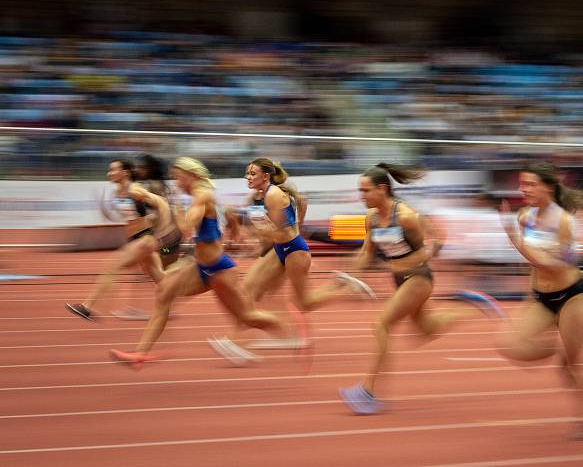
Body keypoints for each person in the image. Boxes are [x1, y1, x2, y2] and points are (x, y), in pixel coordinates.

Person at [338, 163, 506, 415]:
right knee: (425, 330)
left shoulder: (406, 215)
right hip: (400, 280)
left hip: (418, 277)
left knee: (381, 324)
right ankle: (474, 304)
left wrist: (424, 256)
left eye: (365, 191)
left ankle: (368, 391)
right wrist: (351, 272)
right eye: (360, 191)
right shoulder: (371, 219)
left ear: (382, 189)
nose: (361, 196)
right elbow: (366, 253)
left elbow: (438, 238)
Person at [108, 157, 289, 368]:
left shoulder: (202, 196)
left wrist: (171, 210)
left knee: (247, 316)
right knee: (164, 293)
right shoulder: (198, 196)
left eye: (177, 177)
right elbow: (226, 217)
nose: (175, 182)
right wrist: (233, 232)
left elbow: (186, 228)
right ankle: (140, 354)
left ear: (191, 175)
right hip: (200, 266)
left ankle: (288, 333)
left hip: (220, 269)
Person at [208, 157, 375, 362]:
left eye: (252, 173)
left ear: (266, 176)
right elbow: (293, 212)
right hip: (281, 250)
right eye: (247, 173)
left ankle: (347, 289)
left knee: (303, 303)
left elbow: (279, 232)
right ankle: (240, 342)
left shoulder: (274, 196)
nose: (247, 177)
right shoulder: (260, 195)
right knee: (249, 290)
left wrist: (262, 232)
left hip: (294, 252)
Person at [497, 162, 583, 439]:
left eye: (530, 184)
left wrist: (517, 243)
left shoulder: (564, 221)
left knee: (574, 369)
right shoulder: (524, 217)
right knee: (511, 345)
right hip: (543, 298)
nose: (523, 189)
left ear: (548, 187)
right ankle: (569, 345)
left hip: (571, 298)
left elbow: (554, 266)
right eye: (522, 184)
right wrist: (531, 296)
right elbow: (535, 267)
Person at [65, 156, 181, 320]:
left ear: (124, 173)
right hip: (134, 238)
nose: (109, 173)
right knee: (159, 276)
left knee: (111, 266)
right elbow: (125, 216)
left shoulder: (135, 190)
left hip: (145, 239)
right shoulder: (116, 192)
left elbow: (161, 204)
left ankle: (87, 307)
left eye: (113, 169)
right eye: (109, 170)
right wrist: (105, 212)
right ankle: (185, 288)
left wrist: (164, 231)